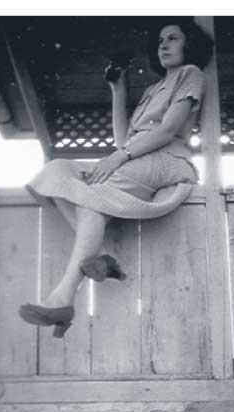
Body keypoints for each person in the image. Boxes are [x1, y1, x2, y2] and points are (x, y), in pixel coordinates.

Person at [19, 18, 214, 338]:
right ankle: (99, 260)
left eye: (173, 38)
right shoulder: (154, 89)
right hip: (137, 157)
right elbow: (125, 140)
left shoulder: (191, 74)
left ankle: (62, 297)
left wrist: (118, 157)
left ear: (189, 44)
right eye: (160, 40)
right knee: (56, 172)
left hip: (168, 159)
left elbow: (165, 131)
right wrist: (117, 90)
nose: (163, 45)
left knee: (94, 192)